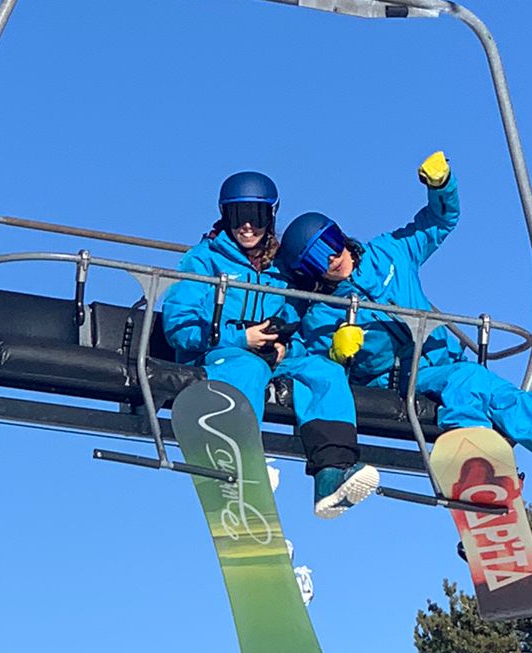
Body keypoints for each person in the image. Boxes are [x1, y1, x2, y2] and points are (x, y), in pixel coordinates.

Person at [276, 152, 532, 502]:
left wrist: (441, 186)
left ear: (341, 236)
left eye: (331, 243)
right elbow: (310, 363)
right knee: (471, 387)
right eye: (316, 258)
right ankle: (483, 487)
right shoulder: (323, 313)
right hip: (400, 381)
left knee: (501, 400)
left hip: (442, 359)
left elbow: (439, 222)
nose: (333, 259)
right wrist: (338, 353)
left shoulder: (390, 253)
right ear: (308, 272)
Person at [161, 170, 379, 518]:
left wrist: (283, 349)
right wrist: (239, 338)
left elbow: (301, 329)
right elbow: (179, 325)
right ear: (224, 215)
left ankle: (332, 473)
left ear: (271, 217)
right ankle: (239, 461)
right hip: (217, 354)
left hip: (270, 360)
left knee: (322, 370)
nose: (247, 227)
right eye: (238, 216)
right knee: (247, 365)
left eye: (257, 217)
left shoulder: (283, 271)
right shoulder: (204, 261)